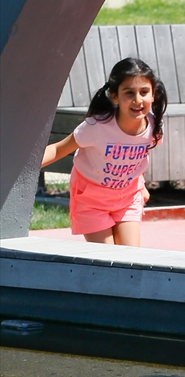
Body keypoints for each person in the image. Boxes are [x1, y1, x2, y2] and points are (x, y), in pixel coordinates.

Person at [41, 56, 166, 246]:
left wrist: (141, 183)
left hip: (127, 197)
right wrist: (18, 168)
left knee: (131, 261)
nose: (138, 100)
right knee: (106, 261)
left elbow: (138, 155)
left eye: (144, 92)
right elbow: (58, 149)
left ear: (153, 94)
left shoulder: (154, 127)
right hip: (91, 199)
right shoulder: (96, 127)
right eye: (129, 93)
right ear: (115, 96)